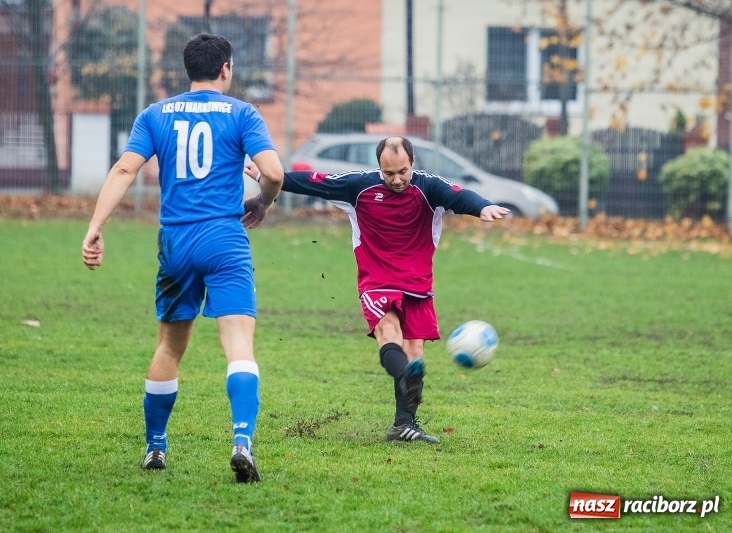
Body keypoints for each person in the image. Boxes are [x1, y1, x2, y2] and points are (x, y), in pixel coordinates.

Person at [82, 33, 284, 483]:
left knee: (170, 347)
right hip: (225, 239)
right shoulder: (242, 113)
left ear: (188, 69)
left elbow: (125, 169)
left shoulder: (155, 114)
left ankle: (155, 447)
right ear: (226, 69)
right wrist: (263, 201)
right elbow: (273, 173)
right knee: (239, 344)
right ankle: (241, 441)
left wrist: (95, 226)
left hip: (175, 241)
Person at [245, 136, 508, 444]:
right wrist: (271, 176)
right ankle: (405, 378)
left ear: (412, 163)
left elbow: (459, 195)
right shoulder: (359, 186)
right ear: (379, 167)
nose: (396, 179)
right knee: (388, 331)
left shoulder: (429, 187)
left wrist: (482, 207)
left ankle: (404, 425)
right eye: (388, 173)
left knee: (415, 353)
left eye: (402, 172)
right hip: (377, 280)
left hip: (417, 283)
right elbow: (314, 181)